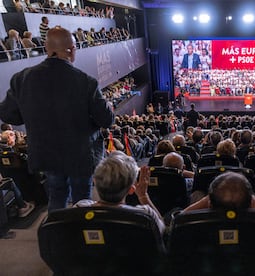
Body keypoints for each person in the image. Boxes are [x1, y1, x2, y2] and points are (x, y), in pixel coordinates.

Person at [0, 27, 114, 212]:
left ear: (47, 49)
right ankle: (79, 238)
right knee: (82, 201)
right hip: (80, 155)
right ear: (70, 49)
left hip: (46, 154)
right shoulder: (85, 81)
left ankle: (56, 237)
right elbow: (106, 120)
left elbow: (8, 115)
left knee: (57, 195)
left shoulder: (21, 79)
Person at [74, 151, 165, 233]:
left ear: (95, 182)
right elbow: (162, 230)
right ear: (131, 190)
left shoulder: (79, 209)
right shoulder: (145, 215)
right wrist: (143, 196)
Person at [183, 171, 255, 212]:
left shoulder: (194, 226)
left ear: (209, 204)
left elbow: (180, 218)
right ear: (251, 203)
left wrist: (205, 201)